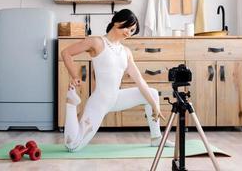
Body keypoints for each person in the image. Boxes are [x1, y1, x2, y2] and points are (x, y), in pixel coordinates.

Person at [61, 9, 174, 152]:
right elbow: (66, 53)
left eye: (132, 30)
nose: (129, 32)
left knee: (151, 93)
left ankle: (156, 138)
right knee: (73, 146)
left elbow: (139, 79)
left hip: (116, 98)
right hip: (100, 101)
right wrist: (75, 76)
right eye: (127, 27)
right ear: (116, 22)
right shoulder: (97, 42)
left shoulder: (126, 52)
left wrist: (155, 105)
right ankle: (71, 103)